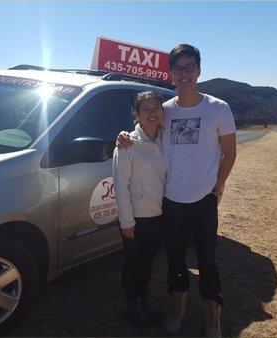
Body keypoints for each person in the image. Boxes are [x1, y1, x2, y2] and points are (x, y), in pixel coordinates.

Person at [117, 44, 237, 337]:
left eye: (189, 67)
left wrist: (217, 187)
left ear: (198, 70)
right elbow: (143, 128)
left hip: (203, 200)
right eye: (178, 68)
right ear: (171, 73)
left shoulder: (218, 108)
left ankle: (213, 315)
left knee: (208, 260)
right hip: (170, 201)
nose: (184, 73)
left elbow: (230, 154)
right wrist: (122, 136)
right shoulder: (165, 110)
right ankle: (178, 308)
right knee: (175, 259)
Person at [112, 91, 166, 327]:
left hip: (159, 215)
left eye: (157, 107)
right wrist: (126, 221)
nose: (153, 112)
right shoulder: (127, 145)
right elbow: (120, 185)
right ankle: (132, 304)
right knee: (134, 262)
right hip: (136, 219)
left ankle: (142, 297)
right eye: (147, 109)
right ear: (137, 114)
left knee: (148, 261)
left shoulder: (166, 139)